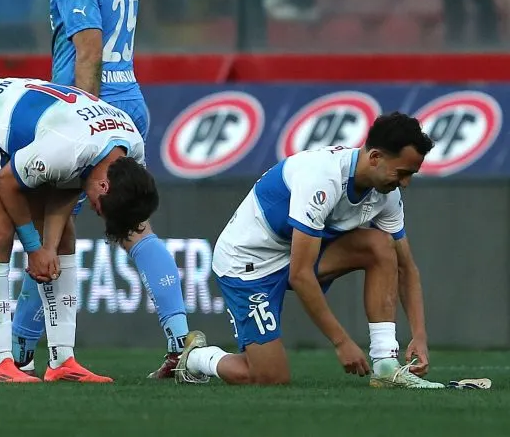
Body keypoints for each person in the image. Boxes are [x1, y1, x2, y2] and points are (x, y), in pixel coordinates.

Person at [0, 0, 203, 382]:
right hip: (129, 103)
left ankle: (16, 350)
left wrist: (85, 111)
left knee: (50, 231)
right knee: (128, 228)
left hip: (88, 109)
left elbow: (87, 49)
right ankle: (179, 339)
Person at [174, 113, 447, 388]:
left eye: (411, 174)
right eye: (402, 173)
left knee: (379, 245)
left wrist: (420, 335)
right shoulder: (322, 178)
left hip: (293, 252)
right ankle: (196, 358)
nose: (405, 183)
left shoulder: (386, 194)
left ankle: (386, 365)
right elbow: (300, 274)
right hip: (247, 264)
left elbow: (405, 266)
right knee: (269, 378)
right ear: (375, 157)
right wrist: (341, 341)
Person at [0, 76, 158, 382]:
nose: (98, 214)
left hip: (44, 131)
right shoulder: (66, 148)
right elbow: (7, 182)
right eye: (102, 208)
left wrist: (48, 247)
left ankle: (62, 361)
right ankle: (0, 363)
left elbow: (69, 187)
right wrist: (33, 248)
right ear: (106, 185)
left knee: (63, 235)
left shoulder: (131, 152)